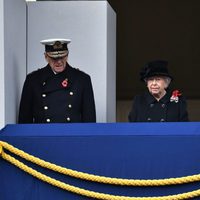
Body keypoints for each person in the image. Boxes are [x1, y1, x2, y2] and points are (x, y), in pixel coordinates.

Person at [18, 38, 96, 123]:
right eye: (54, 58)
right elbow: (24, 120)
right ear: (46, 57)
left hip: (72, 135)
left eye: (62, 57)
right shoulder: (33, 80)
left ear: (67, 55)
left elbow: (89, 120)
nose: (59, 62)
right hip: (43, 135)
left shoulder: (82, 79)